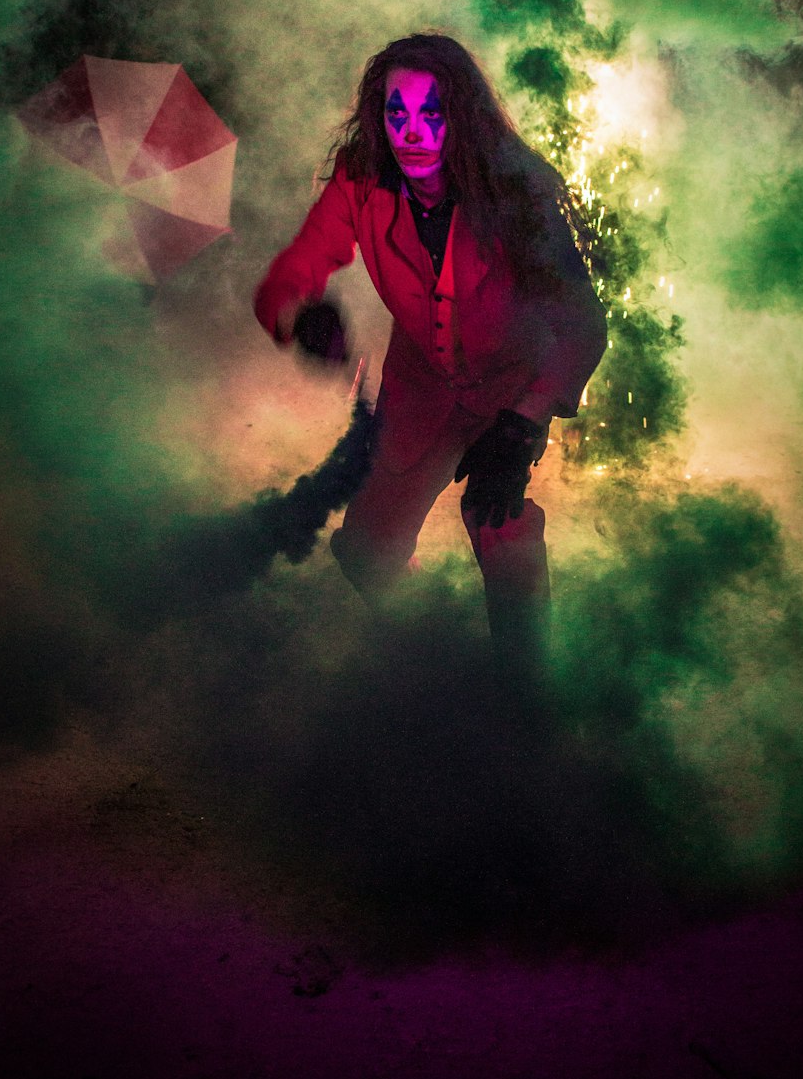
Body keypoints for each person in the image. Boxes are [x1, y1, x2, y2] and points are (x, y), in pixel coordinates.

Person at [254, 34, 606, 699]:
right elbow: (290, 275)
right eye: (397, 113)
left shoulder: (516, 188)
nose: (413, 132)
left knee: (497, 523)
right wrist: (301, 314)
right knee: (366, 552)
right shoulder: (362, 180)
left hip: (511, 390)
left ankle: (525, 698)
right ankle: (441, 664)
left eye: (432, 113)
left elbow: (581, 324)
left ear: (463, 115)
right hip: (419, 396)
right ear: (377, 117)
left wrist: (523, 423)